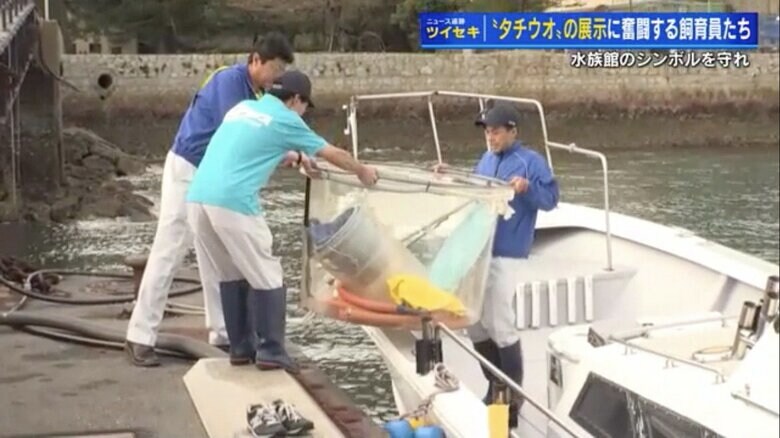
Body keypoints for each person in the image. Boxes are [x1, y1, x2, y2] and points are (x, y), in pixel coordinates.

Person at [185, 70, 378, 376]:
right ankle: (272, 351)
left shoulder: (244, 108)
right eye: (305, 105)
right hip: (233, 200)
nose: (304, 112)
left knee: (230, 274)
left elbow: (249, 146)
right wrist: (363, 171)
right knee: (269, 275)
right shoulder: (288, 119)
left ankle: (240, 348)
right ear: (296, 100)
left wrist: (294, 157)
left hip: (197, 197)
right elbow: (333, 153)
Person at [124, 32, 295, 367]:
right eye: (274, 68)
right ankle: (139, 336)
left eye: (282, 71)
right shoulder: (230, 82)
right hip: (189, 167)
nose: (277, 77)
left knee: (215, 254)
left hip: (212, 177)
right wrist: (286, 151)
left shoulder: (255, 92)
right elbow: (243, 135)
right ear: (255, 60)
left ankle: (222, 332)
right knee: (170, 249)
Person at [436, 103, 559, 429]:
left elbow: (551, 200)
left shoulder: (530, 162)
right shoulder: (487, 159)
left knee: (501, 322)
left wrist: (527, 188)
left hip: (507, 252)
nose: (490, 137)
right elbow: (475, 191)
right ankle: (496, 386)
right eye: (487, 131)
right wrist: (452, 175)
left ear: (512, 131)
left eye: (496, 131)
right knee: (474, 322)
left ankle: (511, 401)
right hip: (478, 249)